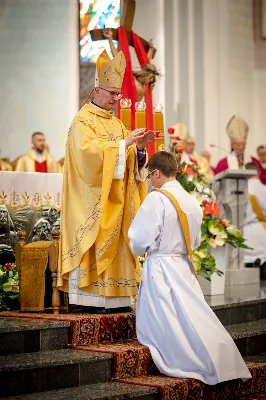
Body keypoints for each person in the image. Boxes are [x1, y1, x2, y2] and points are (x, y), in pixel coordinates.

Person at [128, 151, 251, 384]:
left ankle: (193, 360)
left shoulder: (158, 198)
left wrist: (136, 244)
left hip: (161, 268)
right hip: (183, 266)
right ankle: (221, 358)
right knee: (193, 316)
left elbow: (140, 240)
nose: (149, 181)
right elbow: (194, 243)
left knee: (171, 322)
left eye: (149, 176)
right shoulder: (191, 201)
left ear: (156, 173)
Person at [57, 49, 155, 313]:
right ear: (97, 89)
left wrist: (141, 149)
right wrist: (125, 144)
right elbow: (88, 157)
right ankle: (89, 299)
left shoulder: (117, 124)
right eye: (112, 94)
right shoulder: (82, 122)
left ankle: (117, 298)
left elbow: (131, 160)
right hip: (91, 201)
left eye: (118, 94)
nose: (116, 99)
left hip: (117, 202)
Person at [244, 158, 266, 278]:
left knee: (250, 274)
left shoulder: (242, 190)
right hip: (263, 231)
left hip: (247, 232)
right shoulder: (264, 188)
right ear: (258, 172)